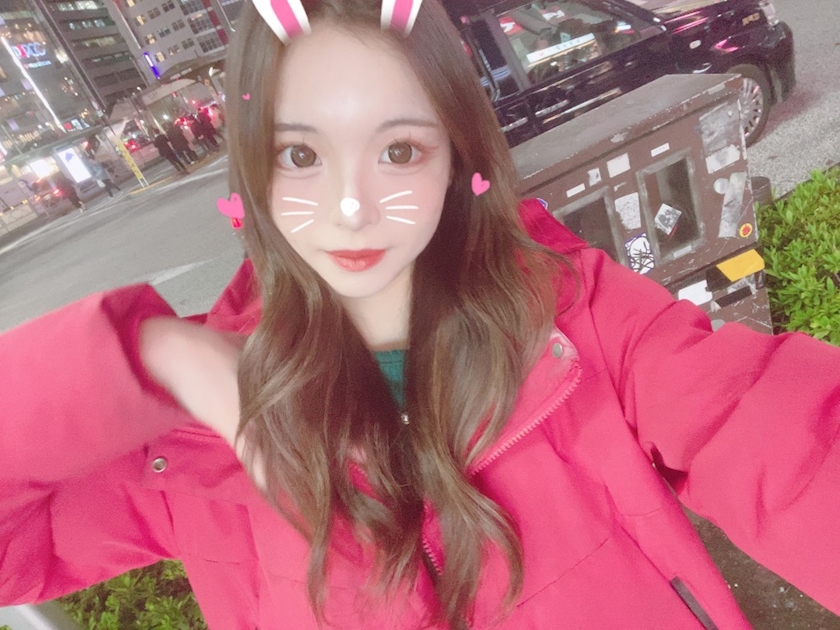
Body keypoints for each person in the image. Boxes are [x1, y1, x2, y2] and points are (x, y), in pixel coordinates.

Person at [2, 1, 840, 629]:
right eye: (301, 154)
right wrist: (149, 356)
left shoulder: (575, 322)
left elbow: (794, 442)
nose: (352, 207)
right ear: (254, 171)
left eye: (398, 150)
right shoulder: (192, 438)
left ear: (455, 158)